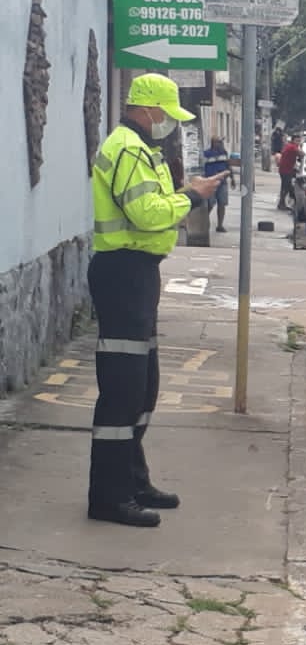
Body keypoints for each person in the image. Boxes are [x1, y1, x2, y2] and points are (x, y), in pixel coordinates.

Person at [88, 73, 224, 527]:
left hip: (139, 274)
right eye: (166, 114)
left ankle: (132, 480)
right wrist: (193, 196)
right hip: (122, 273)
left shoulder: (143, 149)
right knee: (122, 391)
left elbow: (157, 202)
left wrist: (188, 194)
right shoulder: (127, 148)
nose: (168, 122)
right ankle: (108, 498)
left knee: (143, 388)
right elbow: (147, 214)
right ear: (148, 110)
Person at [202, 136, 233, 232]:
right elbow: (202, 168)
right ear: (212, 143)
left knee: (222, 203)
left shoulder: (223, 153)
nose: (219, 144)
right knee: (210, 204)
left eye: (220, 142)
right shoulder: (206, 154)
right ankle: (204, 223)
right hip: (210, 182)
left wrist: (232, 178)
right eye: (217, 142)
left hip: (222, 182)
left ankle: (220, 225)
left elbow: (228, 165)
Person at [276, 134, 302, 211]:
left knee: (288, 187)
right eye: (297, 141)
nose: (298, 142)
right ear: (293, 140)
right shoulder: (292, 147)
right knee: (285, 187)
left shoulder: (290, 146)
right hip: (286, 170)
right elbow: (302, 154)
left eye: (299, 141)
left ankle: (283, 203)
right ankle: (281, 204)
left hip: (286, 169)